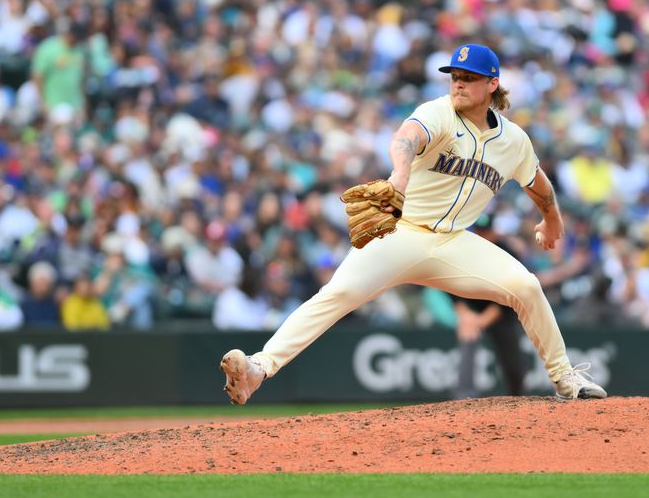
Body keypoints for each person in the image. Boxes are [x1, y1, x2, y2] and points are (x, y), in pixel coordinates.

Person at [221, 44, 607, 404]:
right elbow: (406, 138)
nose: (458, 82)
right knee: (337, 295)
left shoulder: (514, 142)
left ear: (492, 85)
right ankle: (259, 368)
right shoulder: (438, 112)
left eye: (469, 77)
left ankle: (565, 378)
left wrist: (551, 219)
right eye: (454, 75)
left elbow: (537, 183)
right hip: (401, 232)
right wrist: (399, 176)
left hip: (454, 243)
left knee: (526, 285)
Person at [453, 215, 526, 398]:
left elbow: (513, 292)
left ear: (495, 232)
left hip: (503, 310)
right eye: (480, 232)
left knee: (512, 361)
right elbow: (450, 285)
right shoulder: (465, 251)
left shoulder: (508, 253)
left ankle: (517, 397)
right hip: (473, 307)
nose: (484, 236)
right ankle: (463, 396)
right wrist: (467, 316)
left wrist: (483, 320)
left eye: (487, 232)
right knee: (467, 337)